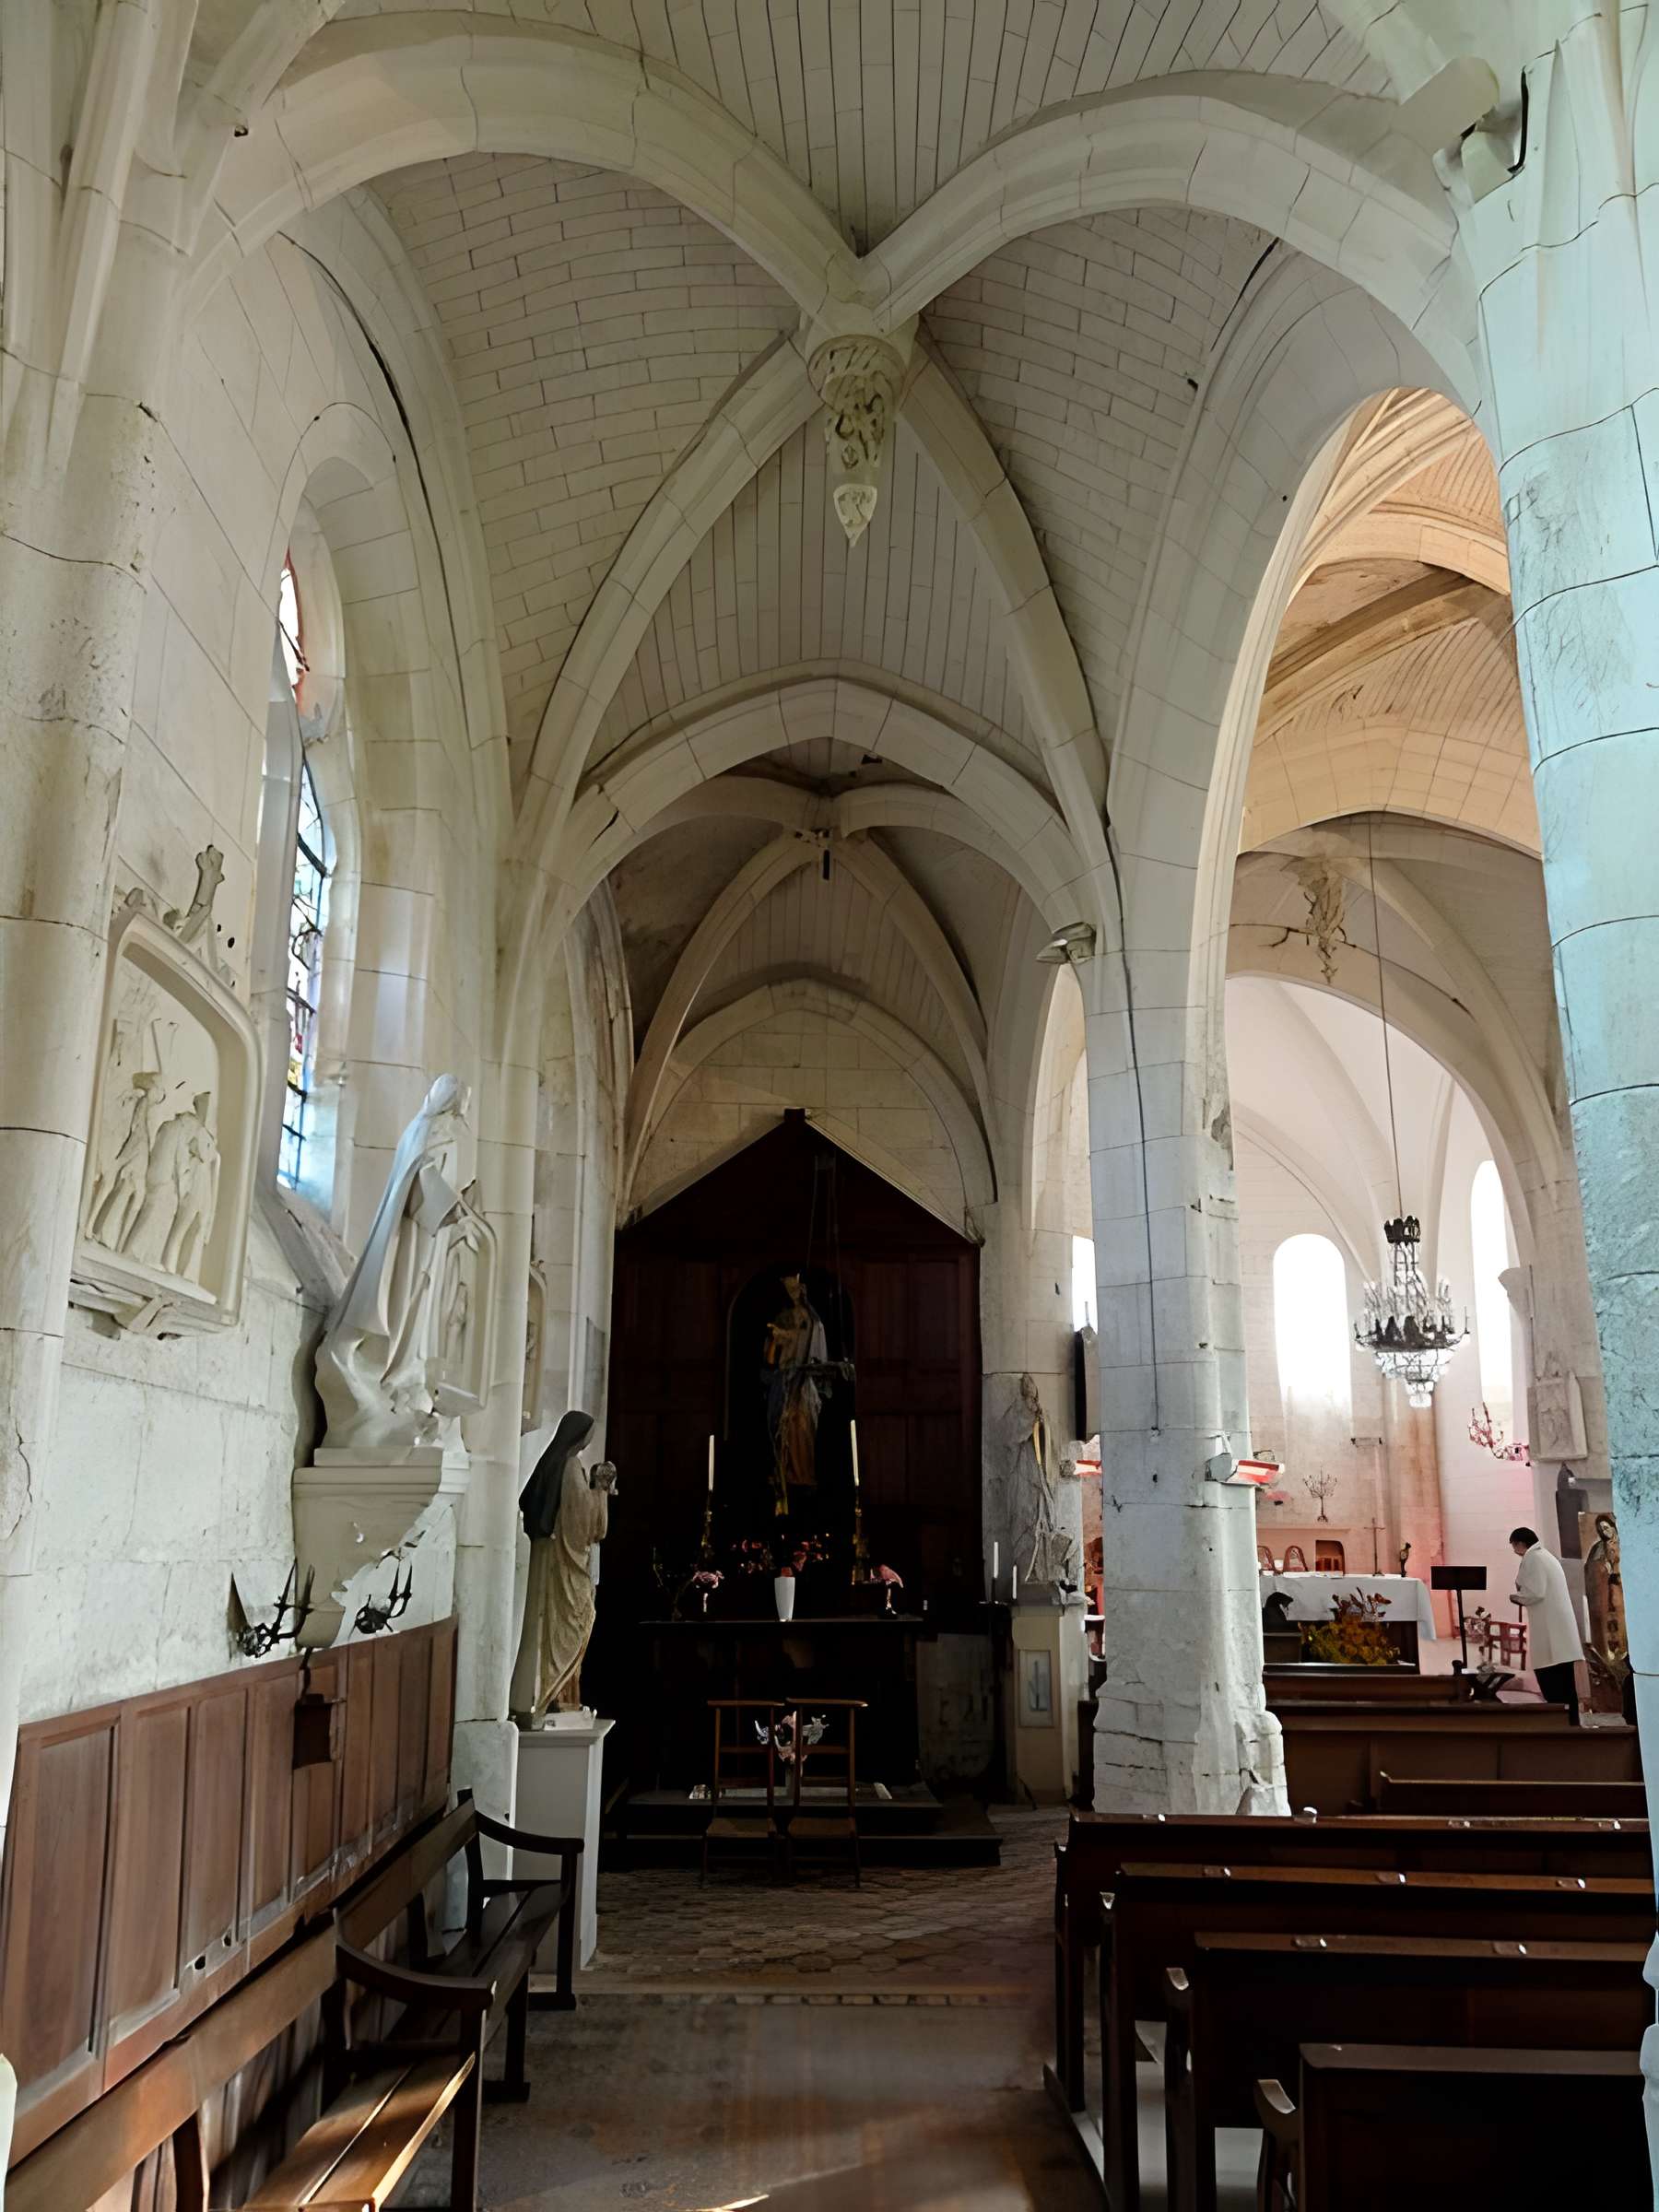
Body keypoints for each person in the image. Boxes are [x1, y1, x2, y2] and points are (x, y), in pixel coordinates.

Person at [1509, 1526, 1583, 1725]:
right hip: (1559, 1631)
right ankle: (1571, 1724)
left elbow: (1536, 1592)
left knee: (1552, 1680)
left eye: (1514, 1546)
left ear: (1520, 1543)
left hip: (1550, 1632)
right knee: (1566, 1684)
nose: (1514, 1550)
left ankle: (1561, 1725)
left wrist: (1515, 1597)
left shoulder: (1533, 1558)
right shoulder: (1547, 1556)